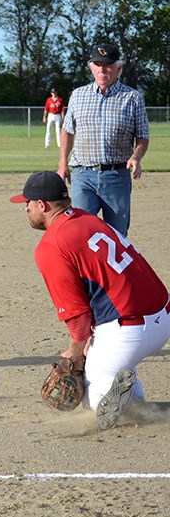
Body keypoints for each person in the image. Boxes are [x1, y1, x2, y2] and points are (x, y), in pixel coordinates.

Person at [10, 170, 170, 430]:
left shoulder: (51, 246)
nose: (25, 208)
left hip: (130, 330)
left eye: (28, 203)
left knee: (94, 402)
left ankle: (120, 396)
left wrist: (74, 354)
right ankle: (130, 393)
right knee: (106, 360)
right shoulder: (86, 218)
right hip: (163, 316)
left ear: (42, 205)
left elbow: (77, 316)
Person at [58, 43, 150, 237]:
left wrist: (136, 157)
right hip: (83, 175)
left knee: (117, 236)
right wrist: (62, 163)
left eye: (107, 65)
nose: (102, 70)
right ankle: (84, 269)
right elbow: (67, 131)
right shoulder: (78, 95)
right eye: (97, 64)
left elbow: (143, 136)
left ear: (119, 68)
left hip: (116, 176)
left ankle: (113, 269)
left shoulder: (133, 98)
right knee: (80, 232)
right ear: (91, 67)